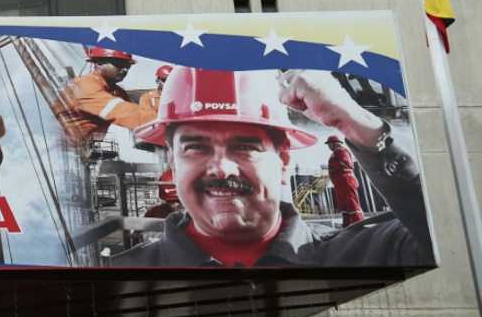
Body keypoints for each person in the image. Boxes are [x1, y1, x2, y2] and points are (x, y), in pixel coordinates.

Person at [110, 67, 432, 267]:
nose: (222, 169)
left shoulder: (363, 254)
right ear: (172, 161)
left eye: (245, 147)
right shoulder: (118, 277)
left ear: (284, 161)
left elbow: (449, 238)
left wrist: (356, 122)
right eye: (196, 147)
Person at [55, 47, 157, 146]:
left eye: (128, 65)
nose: (125, 69)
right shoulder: (84, 86)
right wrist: (166, 121)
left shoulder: (116, 91)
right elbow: (125, 113)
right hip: (67, 154)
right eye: (119, 64)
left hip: (90, 149)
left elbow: (136, 111)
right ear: (98, 63)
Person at [327, 135, 365, 227]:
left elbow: (347, 164)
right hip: (341, 183)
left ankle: (359, 223)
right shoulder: (337, 152)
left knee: (351, 203)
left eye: (329, 144)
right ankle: (346, 224)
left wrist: (333, 168)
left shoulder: (341, 151)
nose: (328, 146)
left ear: (335, 144)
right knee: (344, 205)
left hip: (346, 181)